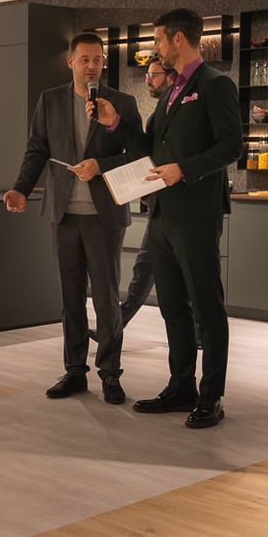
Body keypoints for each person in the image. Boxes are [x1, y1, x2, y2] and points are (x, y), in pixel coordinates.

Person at [91, 9, 242, 429]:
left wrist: (184, 169)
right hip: (161, 215)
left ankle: (211, 395)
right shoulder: (171, 90)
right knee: (172, 306)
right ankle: (181, 387)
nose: (155, 48)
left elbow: (231, 146)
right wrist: (115, 122)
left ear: (177, 39)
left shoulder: (215, 85)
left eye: (158, 40)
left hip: (196, 215)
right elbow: (149, 148)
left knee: (206, 308)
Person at [5, 33, 142, 405]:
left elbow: (139, 153)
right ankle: (75, 371)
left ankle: (110, 374)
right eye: (85, 60)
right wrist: (20, 188)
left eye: (97, 60)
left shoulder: (122, 103)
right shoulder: (50, 101)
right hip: (63, 214)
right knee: (70, 298)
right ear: (70, 63)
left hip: (104, 216)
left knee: (107, 301)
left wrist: (101, 165)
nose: (92, 66)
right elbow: (37, 149)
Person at [89, 59, 174, 342]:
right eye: (147, 74)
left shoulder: (177, 111)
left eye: (154, 75)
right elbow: (146, 153)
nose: (148, 80)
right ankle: (115, 325)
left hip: (181, 205)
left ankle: (198, 331)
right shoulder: (157, 115)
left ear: (170, 77)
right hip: (160, 205)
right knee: (144, 269)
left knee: (178, 274)